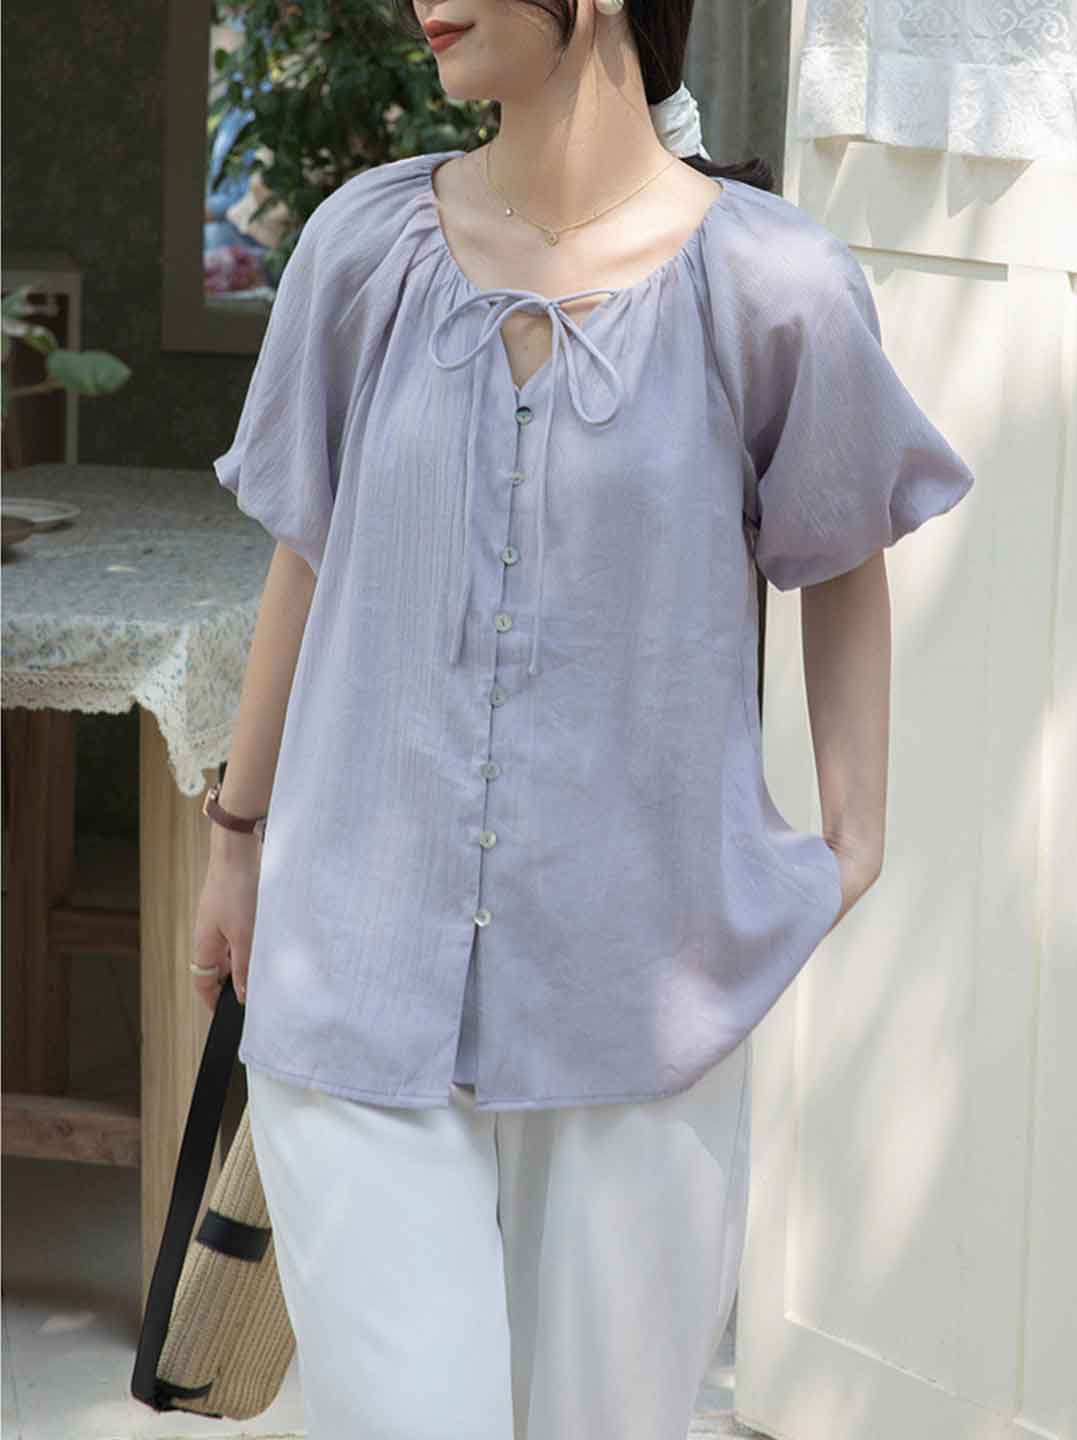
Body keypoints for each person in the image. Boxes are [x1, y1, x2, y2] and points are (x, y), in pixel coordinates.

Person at [195, 0, 977, 1434]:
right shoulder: (361, 250)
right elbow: (304, 554)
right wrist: (235, 838)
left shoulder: (774, 282)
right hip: (351, 971)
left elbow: (841, 552)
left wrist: (850, 848)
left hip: (644, 998)